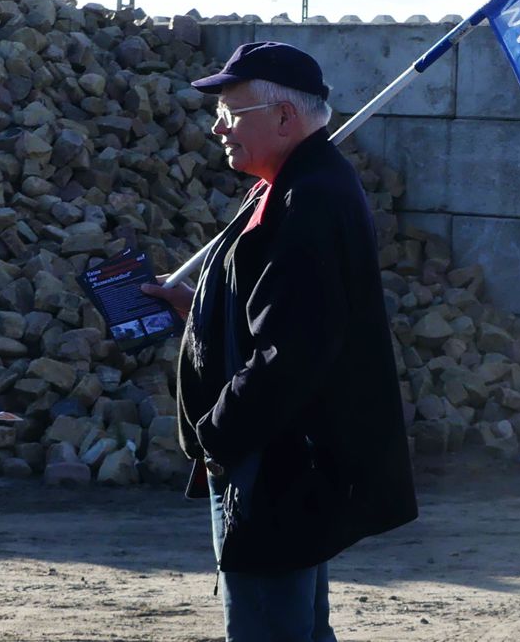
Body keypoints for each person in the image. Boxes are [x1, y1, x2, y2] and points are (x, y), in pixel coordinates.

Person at [143, 41, 417, 642]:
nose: (218, 127)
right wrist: (197, 311)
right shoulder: (294, 184)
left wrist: (217, 434)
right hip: (282, 464)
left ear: (285, 118)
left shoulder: (308, 199)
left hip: (275, 470)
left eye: (232, 112)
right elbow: (276, 314)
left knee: (270, 630)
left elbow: (291, 354)